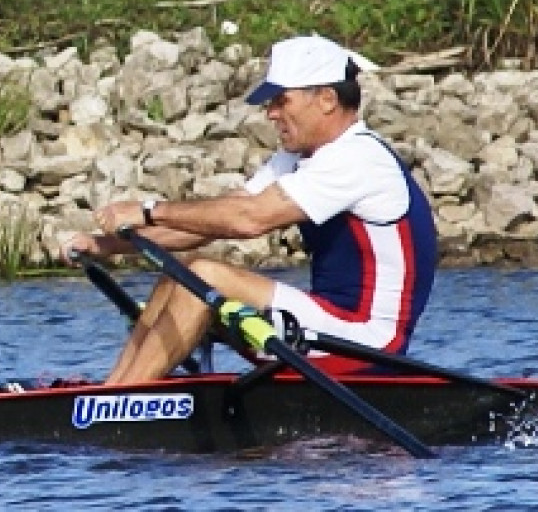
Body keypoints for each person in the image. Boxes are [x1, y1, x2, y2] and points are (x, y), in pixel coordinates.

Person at [60, 34, 437, 384]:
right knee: (182, 274)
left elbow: (250, 220)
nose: (270, 113)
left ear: (326, 98)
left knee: (204, 276)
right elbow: (217, 219)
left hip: (366, 344)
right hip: (325, 324)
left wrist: (147, 209)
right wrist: (105, 246)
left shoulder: (357, 158)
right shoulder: (299, 156)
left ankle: (121, 405)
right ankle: (113, 392)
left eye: (281, 100)